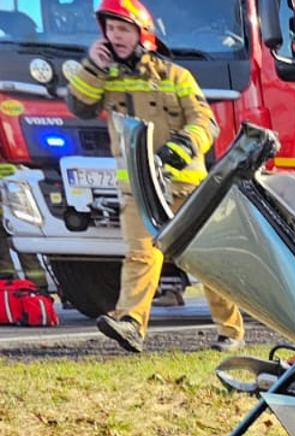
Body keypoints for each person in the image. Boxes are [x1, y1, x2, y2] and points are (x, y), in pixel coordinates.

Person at [73, 0, 243, 353]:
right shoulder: (105, 77)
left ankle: (231, 331)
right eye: (110, 29)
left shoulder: (176, 76)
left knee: (205, 258)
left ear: (142, 33)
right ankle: (131, 324)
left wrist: (181, 147)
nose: (115, 36)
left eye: (123, 29)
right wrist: (93, 66)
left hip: (185, 185)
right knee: (140, 254)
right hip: (139, 186)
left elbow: (205, 122)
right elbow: (80, 106)